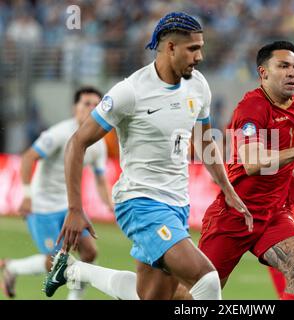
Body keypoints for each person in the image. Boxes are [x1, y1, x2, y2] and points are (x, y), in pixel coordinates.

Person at [43, 12, 251, 301]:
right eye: (193, 48)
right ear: (170, 48)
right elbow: (77, 143)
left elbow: (205, 142)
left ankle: (75, 272)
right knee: (207, 281)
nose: (200, 56)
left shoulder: (199, 85)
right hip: (140, 203)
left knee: (153, 297)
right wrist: (75, 208)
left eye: (201, 47)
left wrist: (228, 190)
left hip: (178, 204)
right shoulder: (130, 92)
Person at [198, 40, 294, 300]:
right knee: (198, 294)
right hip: (235, 214)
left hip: (273, 214)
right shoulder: (252, 108)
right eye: (283, 66)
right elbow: (251, 163)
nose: (292, 72)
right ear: (263, 73)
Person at [0, 86, 112, 300]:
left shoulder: (99, 142)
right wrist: (26, 195)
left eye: (95, 105)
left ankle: (74, 298)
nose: (91, 108)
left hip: (69, 207)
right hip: (42, 207)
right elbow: (28, 158)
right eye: (86, 103)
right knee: (54, 261)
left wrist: (110, 204)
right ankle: (12, 268)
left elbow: (100, 179)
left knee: (89, 253)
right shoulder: (59, 134)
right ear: (74, 108)